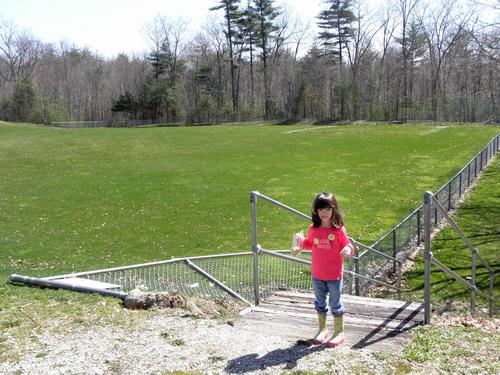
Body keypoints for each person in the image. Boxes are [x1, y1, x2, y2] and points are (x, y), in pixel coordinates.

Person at [292, 192, 355, 347]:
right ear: (316, 211)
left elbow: (349, 245)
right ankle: (323, 330)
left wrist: (347, 250)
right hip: (317, 275)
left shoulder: (339, 230)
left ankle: (339, 332)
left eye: (327, 209)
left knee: (335, 304)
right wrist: (299, 245)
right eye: (320, 209)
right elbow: (309, 243)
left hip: (334, 276)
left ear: (334, 210)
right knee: (320, 303)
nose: (324, 213)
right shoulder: (313, 229)